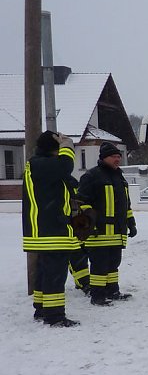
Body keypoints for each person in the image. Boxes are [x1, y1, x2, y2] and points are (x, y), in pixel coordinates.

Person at [22, 131, 82, 327]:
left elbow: (64, 181)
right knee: (55, 275)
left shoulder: (41, 167)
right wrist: (68, 146)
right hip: (51, 230)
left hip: (47, 229)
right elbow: (66, 166)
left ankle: (41, 308)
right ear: (53, 150)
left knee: (45, 272)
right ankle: (55, 316)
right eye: (59, 150)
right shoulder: (41, 164)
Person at [78, 142, 137, 305]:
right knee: (99, 265)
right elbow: (81, 202)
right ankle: (97, 296)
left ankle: (112, 291)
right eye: (114, 157)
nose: (117, 159)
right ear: (104, 158)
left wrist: (131, 223)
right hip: (99, 232)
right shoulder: (91, 176)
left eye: (119, 156)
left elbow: (126, 204)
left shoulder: (120, 177)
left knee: (113, 264)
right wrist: (91, 224)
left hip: (117, 232)